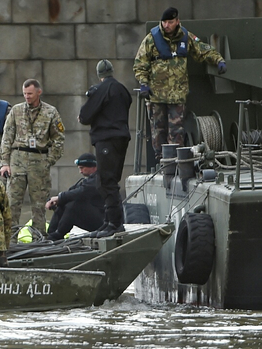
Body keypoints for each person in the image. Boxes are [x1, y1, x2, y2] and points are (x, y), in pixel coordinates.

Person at [133, 7, 226, 160]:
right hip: (156, 95)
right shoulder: (151, 39)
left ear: (177, 21)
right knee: (158, 131)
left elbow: (202, 50)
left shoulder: (185, 37)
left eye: (170, 22)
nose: (167, 25)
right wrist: (143, 83)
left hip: (177, 96)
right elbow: (140, 64)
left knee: (176, 132)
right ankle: (161, 161)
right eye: (164, 22)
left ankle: (174, 162)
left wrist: (218, 60)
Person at [0, 79, 65, 237]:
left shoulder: (50, 112)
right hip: (18, 159)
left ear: (38, 92)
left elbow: (59, 138)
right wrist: (4, 162)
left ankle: (39, 237)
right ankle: (10, 239)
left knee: (39, 204)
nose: (27, 97)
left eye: (30, 93)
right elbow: (6, 137)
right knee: (13, 202)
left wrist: (49, 161)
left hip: (39, 159)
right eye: (24, 94)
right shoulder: (16, 111)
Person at [80, 60, 133, 237]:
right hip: (122, 138)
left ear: (99, 74)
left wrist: (92, 97)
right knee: (112, 180)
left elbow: (85, 116)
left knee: (105, 181)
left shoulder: (102, 90)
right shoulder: (122, 90)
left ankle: (114, 223)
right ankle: (110, 221)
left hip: (106, 140)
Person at [44, 153, 105, 241]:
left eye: (82, 168)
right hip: (95, 217)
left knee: (75, 204)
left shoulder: (100, 179)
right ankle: (50, 235)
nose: (80, 171)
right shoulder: (89, 180)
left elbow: (81, 192)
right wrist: (56, 200)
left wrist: (60, 197)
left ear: (93, 167)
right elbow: (71, 192)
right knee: (64, 201)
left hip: (103, 222)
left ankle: (58, 235)